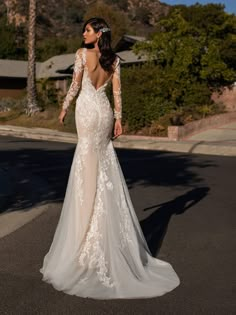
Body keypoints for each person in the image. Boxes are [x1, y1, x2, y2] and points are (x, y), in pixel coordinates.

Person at [40, 17, 180, 299]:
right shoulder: (115, 60)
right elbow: (117, 93)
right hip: (103, 113)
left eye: (87, 30)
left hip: (87, 112)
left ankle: (83, 241)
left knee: (86, 168)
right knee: (103, 165)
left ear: (98, 34)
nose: (83, 34)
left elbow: (75, 86)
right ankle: (101, 232)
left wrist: (64, 108)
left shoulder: (82, 55)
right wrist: (119, 119)